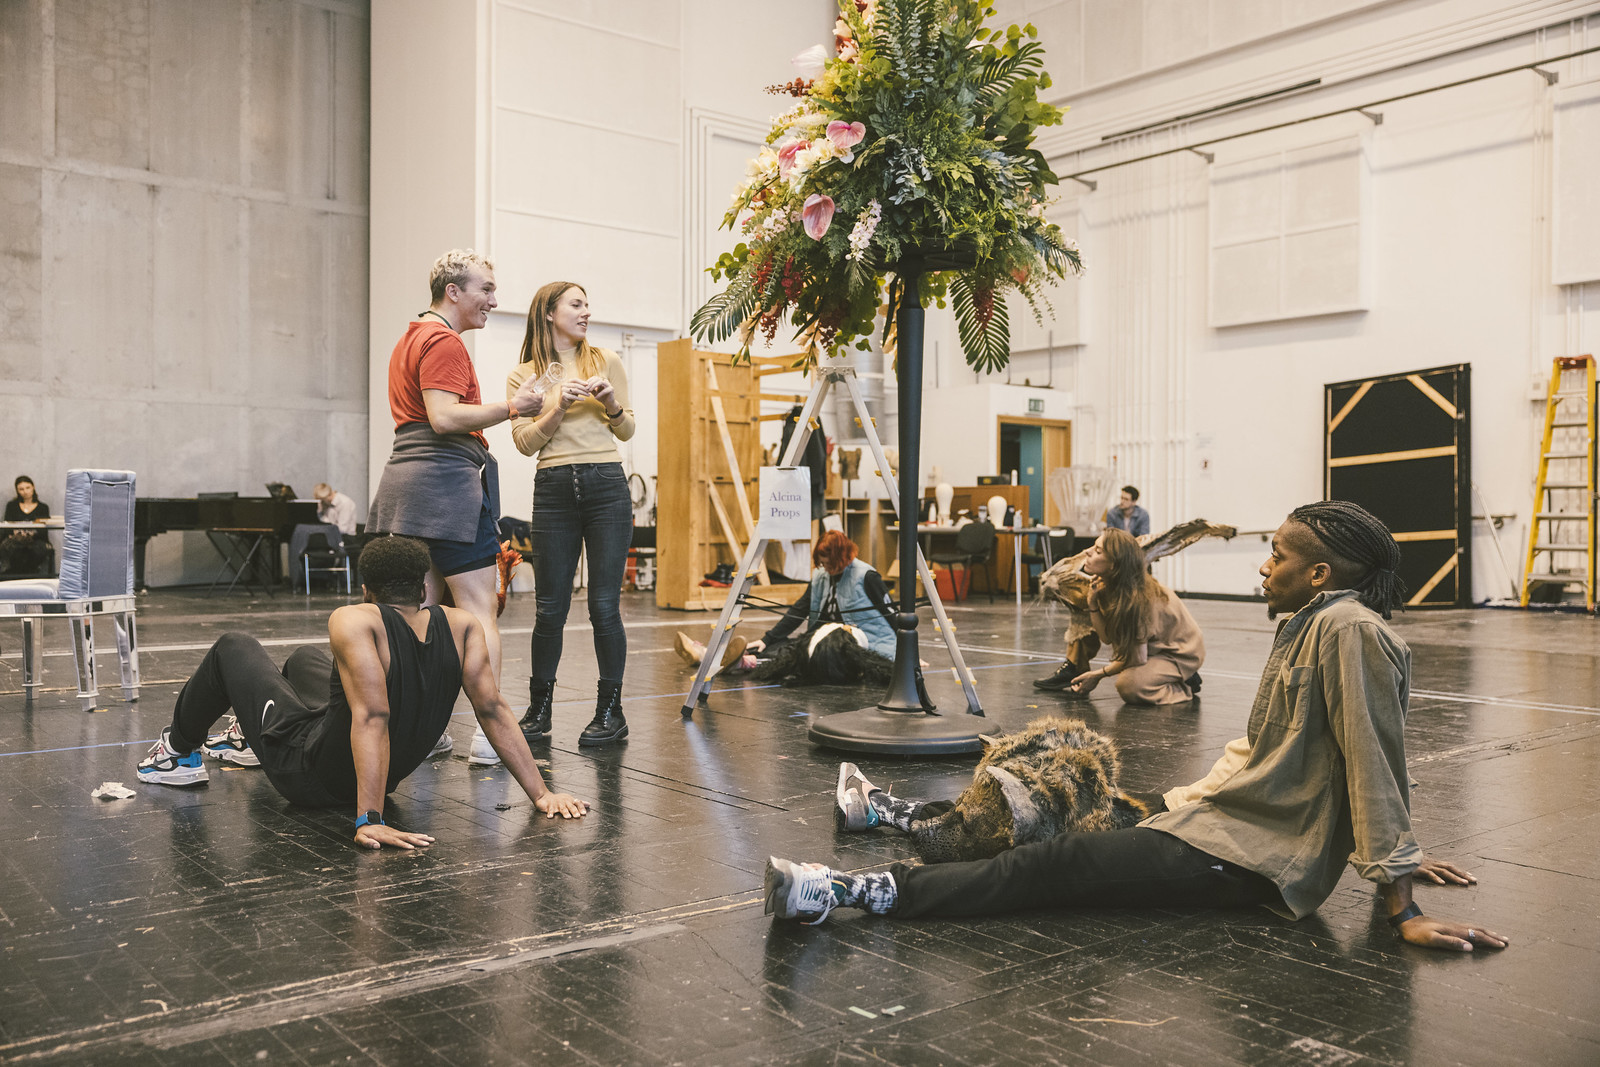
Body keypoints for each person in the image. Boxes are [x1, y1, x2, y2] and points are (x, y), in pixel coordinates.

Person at [764, 500, 1510, 956]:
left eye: (1277, 555)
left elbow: (1373, 758)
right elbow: (1281, 752)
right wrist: (1178, 802)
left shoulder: (1350, 630)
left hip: (1243, 858)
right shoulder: (1313, 623)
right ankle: (888, 812)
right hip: (1220, 818)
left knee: (1050, 863)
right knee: (1049, 804)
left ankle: (853, 891)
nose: (1263, 566)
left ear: (1319, 573)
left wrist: (1400, 893)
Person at [134, 536, 588, 846]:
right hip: (378, 773)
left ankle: (175, 754)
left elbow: (372, 717)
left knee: (233, 648)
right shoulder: (464, 626)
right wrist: (542, 794)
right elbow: (492, 709)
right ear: (425, 585)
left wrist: (370, 819)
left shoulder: (354, 618)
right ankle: (243, 738)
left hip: (310, 777)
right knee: (305, 659)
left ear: (364, 587)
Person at [367, 250, 545, 766]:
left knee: (416, 613)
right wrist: (516, 407)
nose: (494, 300)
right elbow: (444, 417)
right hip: (444, 486)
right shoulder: (444, 340)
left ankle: (421, 731)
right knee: (476, 609)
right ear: (453, 292)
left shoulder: (410, 337)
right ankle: (491, 736)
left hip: (405, 487)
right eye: (485, 289)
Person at [506, 281, 636, 746]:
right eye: (575, 305)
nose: (585, 312)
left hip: (606, 486)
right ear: (548, 313)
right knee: (549, 610)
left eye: (587, 304)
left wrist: (611, 404)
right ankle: (539, 711)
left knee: (604, 607)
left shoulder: (607, 362)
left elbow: (627, 429)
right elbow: (523, 443)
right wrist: (558, 405)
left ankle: (611, 711)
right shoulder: (527, 376)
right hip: (555, 488)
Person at [1033, 528, 1203, 703]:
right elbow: (1106, 638)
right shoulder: (1107, 585)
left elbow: (1137, 658)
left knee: (1130, 685)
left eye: (1098, 551)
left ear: (1114, 565)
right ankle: (1077, 666)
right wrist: (1093, 605)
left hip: (1179, 652)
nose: (1087, 552)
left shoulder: (1138, 600)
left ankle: (1184, 684)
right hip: (1152, 649)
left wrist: (1098, 675)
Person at [287, 483, 360, 589]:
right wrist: (320, 511)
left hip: (346, 537)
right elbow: (324, 522)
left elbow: (342, 529)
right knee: (308, 541)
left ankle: (326, 578)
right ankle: (308, 579)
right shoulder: (325, 504)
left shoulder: (345, 503)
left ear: (329, 496)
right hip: (331, 535)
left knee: (317, 541)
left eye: (322, 500)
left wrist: (325, 530)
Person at [1, 475, 52, 575]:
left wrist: (30, 535)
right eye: (21, 489)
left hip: (36, 540)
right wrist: (18, 535)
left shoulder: (43, 507)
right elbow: (7, 526)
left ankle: (29, 575)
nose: (25, 491)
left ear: (33, 487)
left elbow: (43, 530)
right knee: (10, 548)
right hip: (14, 539)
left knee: (36, 549)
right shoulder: (12, 506)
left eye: (27, 488)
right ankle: (15, 576)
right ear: (17, 491)